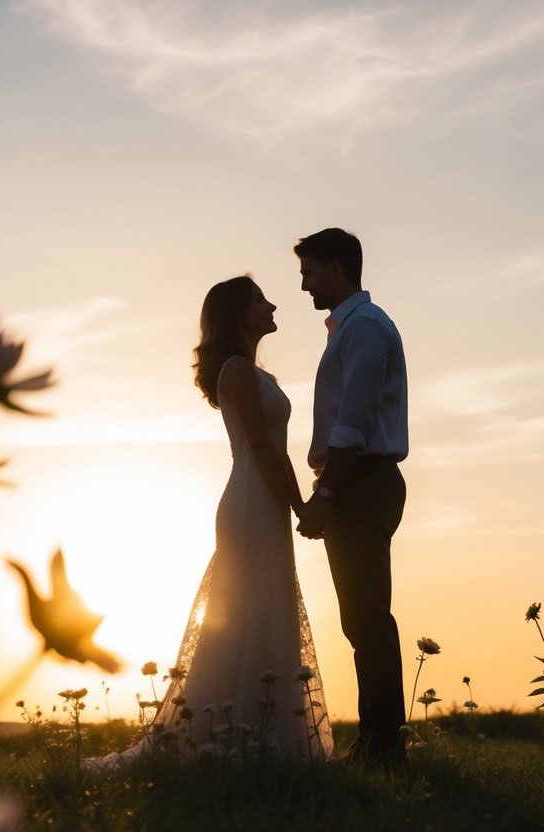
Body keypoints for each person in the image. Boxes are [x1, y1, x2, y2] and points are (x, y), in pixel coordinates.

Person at [84, 275, 332, 769]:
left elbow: (277, 451)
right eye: (261, 300)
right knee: (244, 612)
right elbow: (261, 448)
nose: (272, 305)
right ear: (238, 313)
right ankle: (222, 740)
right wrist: (299, 505)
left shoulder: (261, 376)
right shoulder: (237, 371)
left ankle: (262, 740)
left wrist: (300, 503)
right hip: (249, 502)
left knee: (268, 608)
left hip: (269, 501)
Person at [294, 228, 408, 767]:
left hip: (361, 481)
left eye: (309, 272)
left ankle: (383, 743)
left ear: (337, 269)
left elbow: (353, 424)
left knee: (368, 615)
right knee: (359, 617)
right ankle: (378, 738)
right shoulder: (350, 328)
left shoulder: (364, 328)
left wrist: (325, 491)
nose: (303, 284)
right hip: (357, 480)